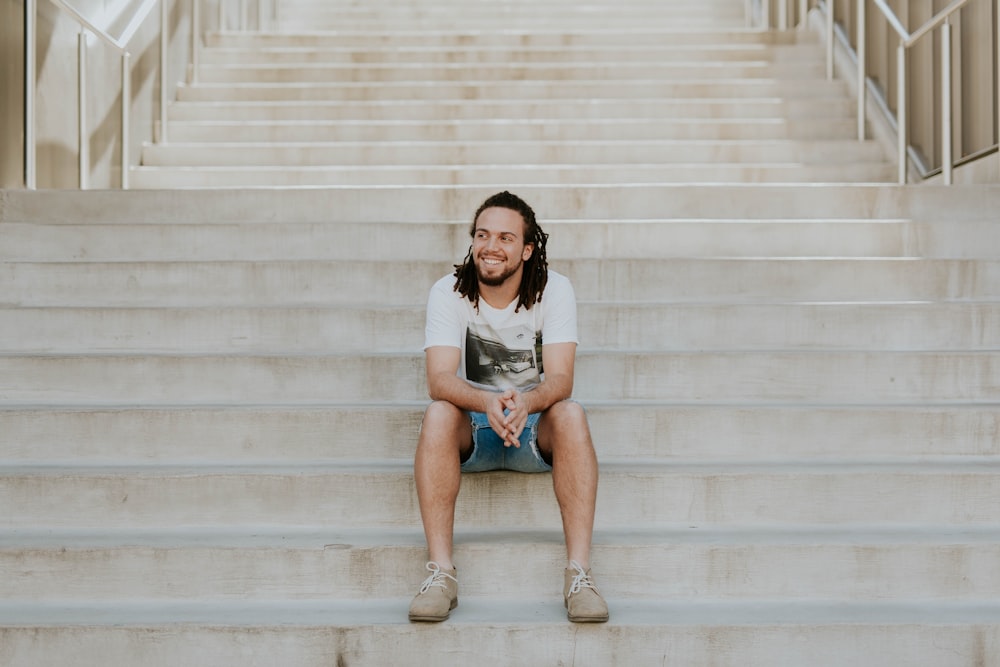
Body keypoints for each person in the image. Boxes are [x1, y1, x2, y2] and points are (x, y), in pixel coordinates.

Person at [408, 190, 609, 624]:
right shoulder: (450, 291)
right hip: (475, 430)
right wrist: (486, 402)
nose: (491, 247)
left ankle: (579, 575)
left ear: (528, 248)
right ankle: (441, 574)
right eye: (482, 235)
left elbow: (561, 379)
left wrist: (525, 404)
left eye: (505, 237)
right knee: (439, 412)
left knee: (571, 412)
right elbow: (438, 380)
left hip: (533, 426)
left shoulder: (554, 290)